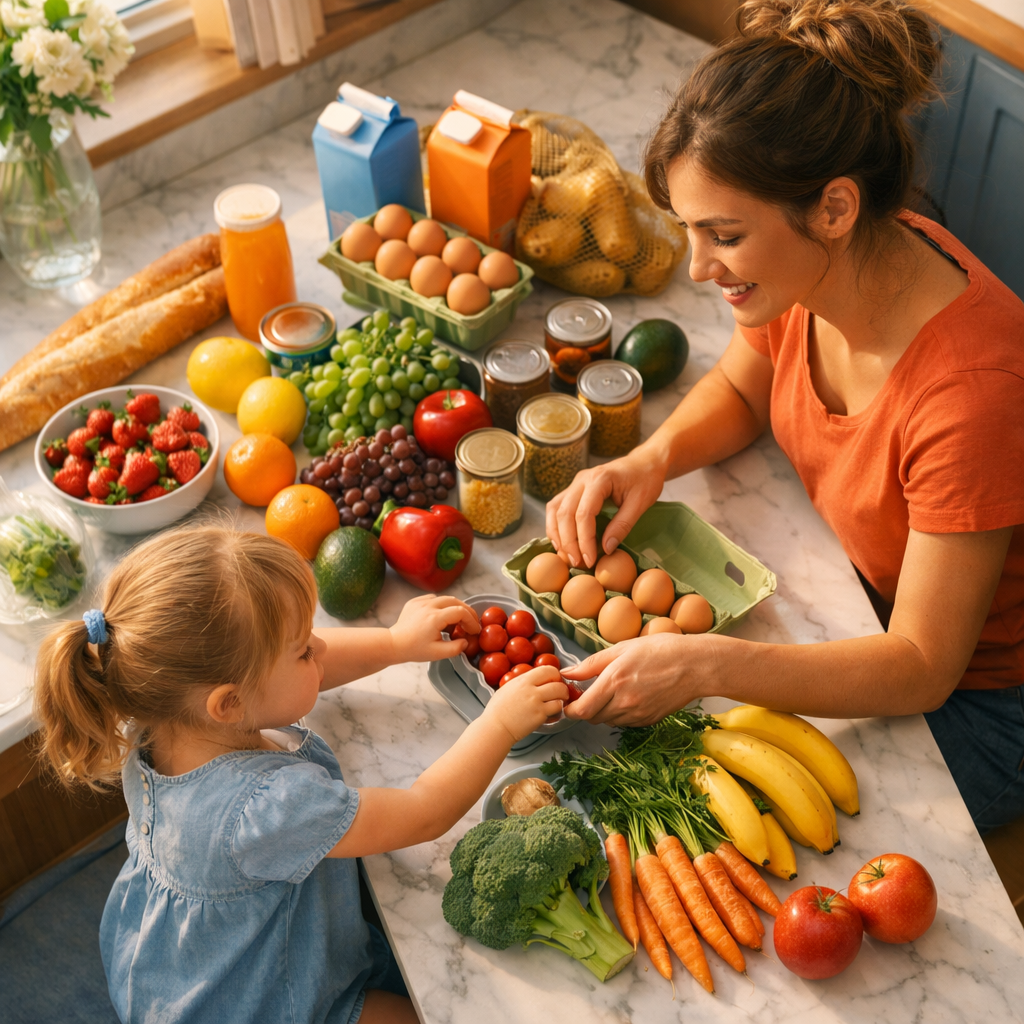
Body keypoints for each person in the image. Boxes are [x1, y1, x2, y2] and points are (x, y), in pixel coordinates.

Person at [548, 0, 1024, 834]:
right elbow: (743, 389)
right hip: (857, 604)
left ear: (835, 208)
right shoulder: (810, 272)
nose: (698, 267)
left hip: (985, 699)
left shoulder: (974, 393)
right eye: (690, 231)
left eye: (721, 234)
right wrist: (651, 459)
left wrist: (704, 663)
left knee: (762, 839)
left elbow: (920, 667)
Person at [33, 526, 567, 1024]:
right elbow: (423, 813)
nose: (322, 648)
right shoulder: (269, 808)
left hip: (169, 967)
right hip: (253, 1001)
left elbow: (290, 677)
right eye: (305, 648)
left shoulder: (158, 712)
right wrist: (500, 722)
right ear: (229, 703)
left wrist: (395, 642)